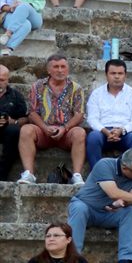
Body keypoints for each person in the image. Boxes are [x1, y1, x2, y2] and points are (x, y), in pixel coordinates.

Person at [68, 148, 132, 263]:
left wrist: (120, 203)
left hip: (110, 213)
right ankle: (72, 258)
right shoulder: (104, 165)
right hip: (87, 208)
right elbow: (113, 192)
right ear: (125, 167)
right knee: (79, 208)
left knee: (129, 212)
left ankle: (127, 261)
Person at [17, 54, 86, 186]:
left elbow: (79, 114)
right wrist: (44, 127)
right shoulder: (37, 86)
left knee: (80, 132)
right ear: (48, 70)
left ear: (67, 69)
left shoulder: (76, 88)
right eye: (56, 67)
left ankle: (77, 175)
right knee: (26, 129)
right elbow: (32, 113)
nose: (60, 70)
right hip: (43, 131)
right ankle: (29, 173)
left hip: (67, 132)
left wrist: (64, 128)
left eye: (63, 67)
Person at [84, 60, 132, 169]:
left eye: (120, 73)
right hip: (103, 132)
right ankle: (97, 174)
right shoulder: (97, 94)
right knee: (93, 137)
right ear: (106, 75)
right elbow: (92, 119)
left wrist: (122, 130)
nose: (117, 77)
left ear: (125, 75)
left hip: (126, 133)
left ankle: (131, 175)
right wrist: (105, 131)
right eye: (113, 73)